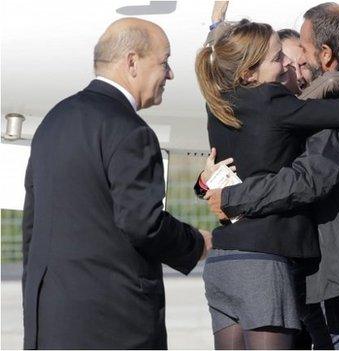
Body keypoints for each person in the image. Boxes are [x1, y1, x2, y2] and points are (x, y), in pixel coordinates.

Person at [205, 4, 339, 349]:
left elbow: (310, 177)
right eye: (281, 60)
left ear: (324, 55)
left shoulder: (336, 105)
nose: (292, 66)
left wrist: (229, 196)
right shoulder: (311, 102)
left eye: (299, 55)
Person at [21, 18, 211, 349]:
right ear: (132, 62)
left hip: (50, 323)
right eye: (164, 62)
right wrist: (195, 245)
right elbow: (141, 223)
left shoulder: (53, 121)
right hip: (115, 324)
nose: (170, 74)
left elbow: (32, 230)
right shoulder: (130, 130)